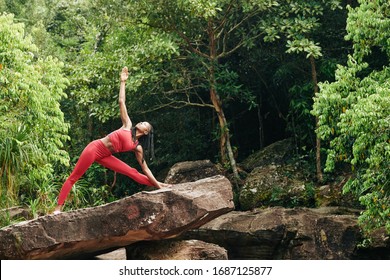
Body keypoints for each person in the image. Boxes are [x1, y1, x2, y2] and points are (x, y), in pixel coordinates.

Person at [53, 66, 169, 214]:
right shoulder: (128, 125)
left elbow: (145, 169)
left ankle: (163, 186)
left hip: (105, 156)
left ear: (146, 131)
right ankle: (58, 209)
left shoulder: (137, 147)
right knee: (74, 177)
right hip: (94, 149)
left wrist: (158, 185)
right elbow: (122, 102)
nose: (141, 122)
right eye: (142, 121)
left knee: (132, 172)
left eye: (145, 124)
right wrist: (123, 82)